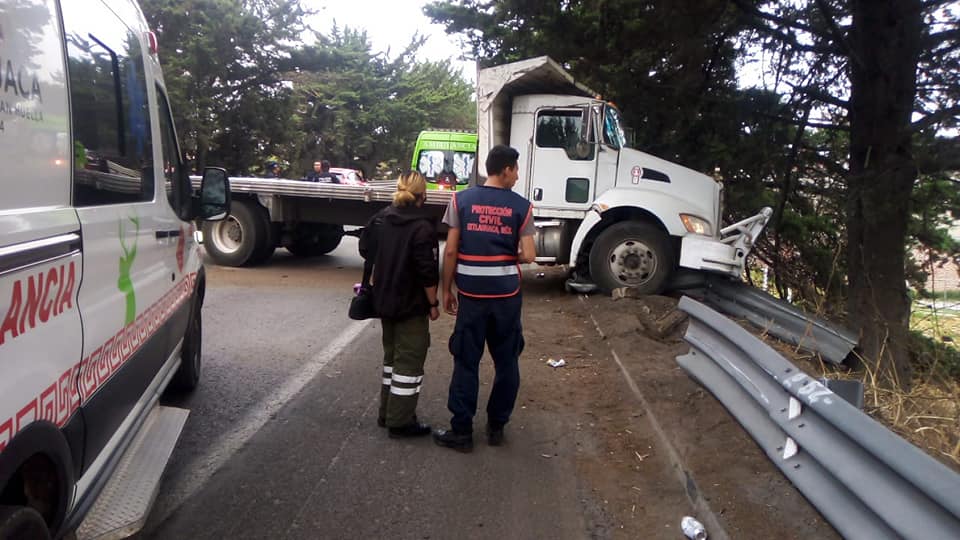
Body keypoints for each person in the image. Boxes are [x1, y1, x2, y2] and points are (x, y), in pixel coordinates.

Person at [433, 145, 536, 453]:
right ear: (505, 169)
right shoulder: (522, 207)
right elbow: (529, 254)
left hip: (472, 296)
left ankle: (462, 432)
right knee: (507, 362)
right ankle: (496, 427)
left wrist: (445, 290)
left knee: (466, 361)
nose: (517, 176)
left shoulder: (460, 199)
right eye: (516, 169)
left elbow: (450, 251)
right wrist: (508, 254)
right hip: (506, 297)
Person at [359, 171, 440, 438]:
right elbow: (427, 272)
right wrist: (434, 303)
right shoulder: (422, 228)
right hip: (411, 305)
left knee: (391, 359)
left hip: (384, 300)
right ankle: (400, 422)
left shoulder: (381, 219)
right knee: (409, 362)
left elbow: (364, 248)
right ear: (422, 195)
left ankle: (387, 413)